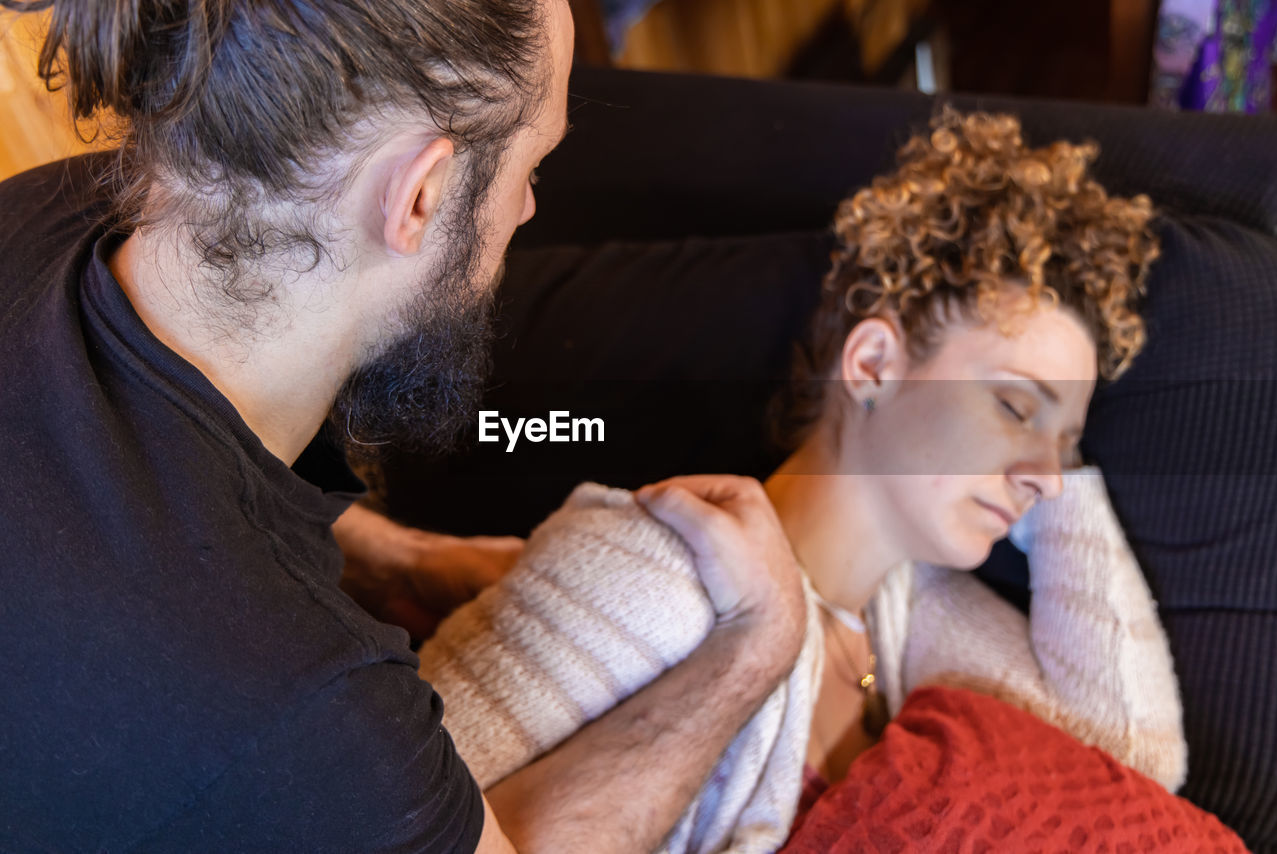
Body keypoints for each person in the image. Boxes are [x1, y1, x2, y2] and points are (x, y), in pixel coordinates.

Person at [0, 1, 810, 851]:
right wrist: (753, 650)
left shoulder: (45, 211)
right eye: (532, 167)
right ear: (418, 195)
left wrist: (400, 557)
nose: (527, 210)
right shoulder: (309, 718)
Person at [416, 110, 1193, 851]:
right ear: (874, 365)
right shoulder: (658, 572)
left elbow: (1131, 759)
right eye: (1014, 404)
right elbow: (368, 820)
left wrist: (1060, 460)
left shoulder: (905, 617)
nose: (1049, 479)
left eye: (1068, 445)